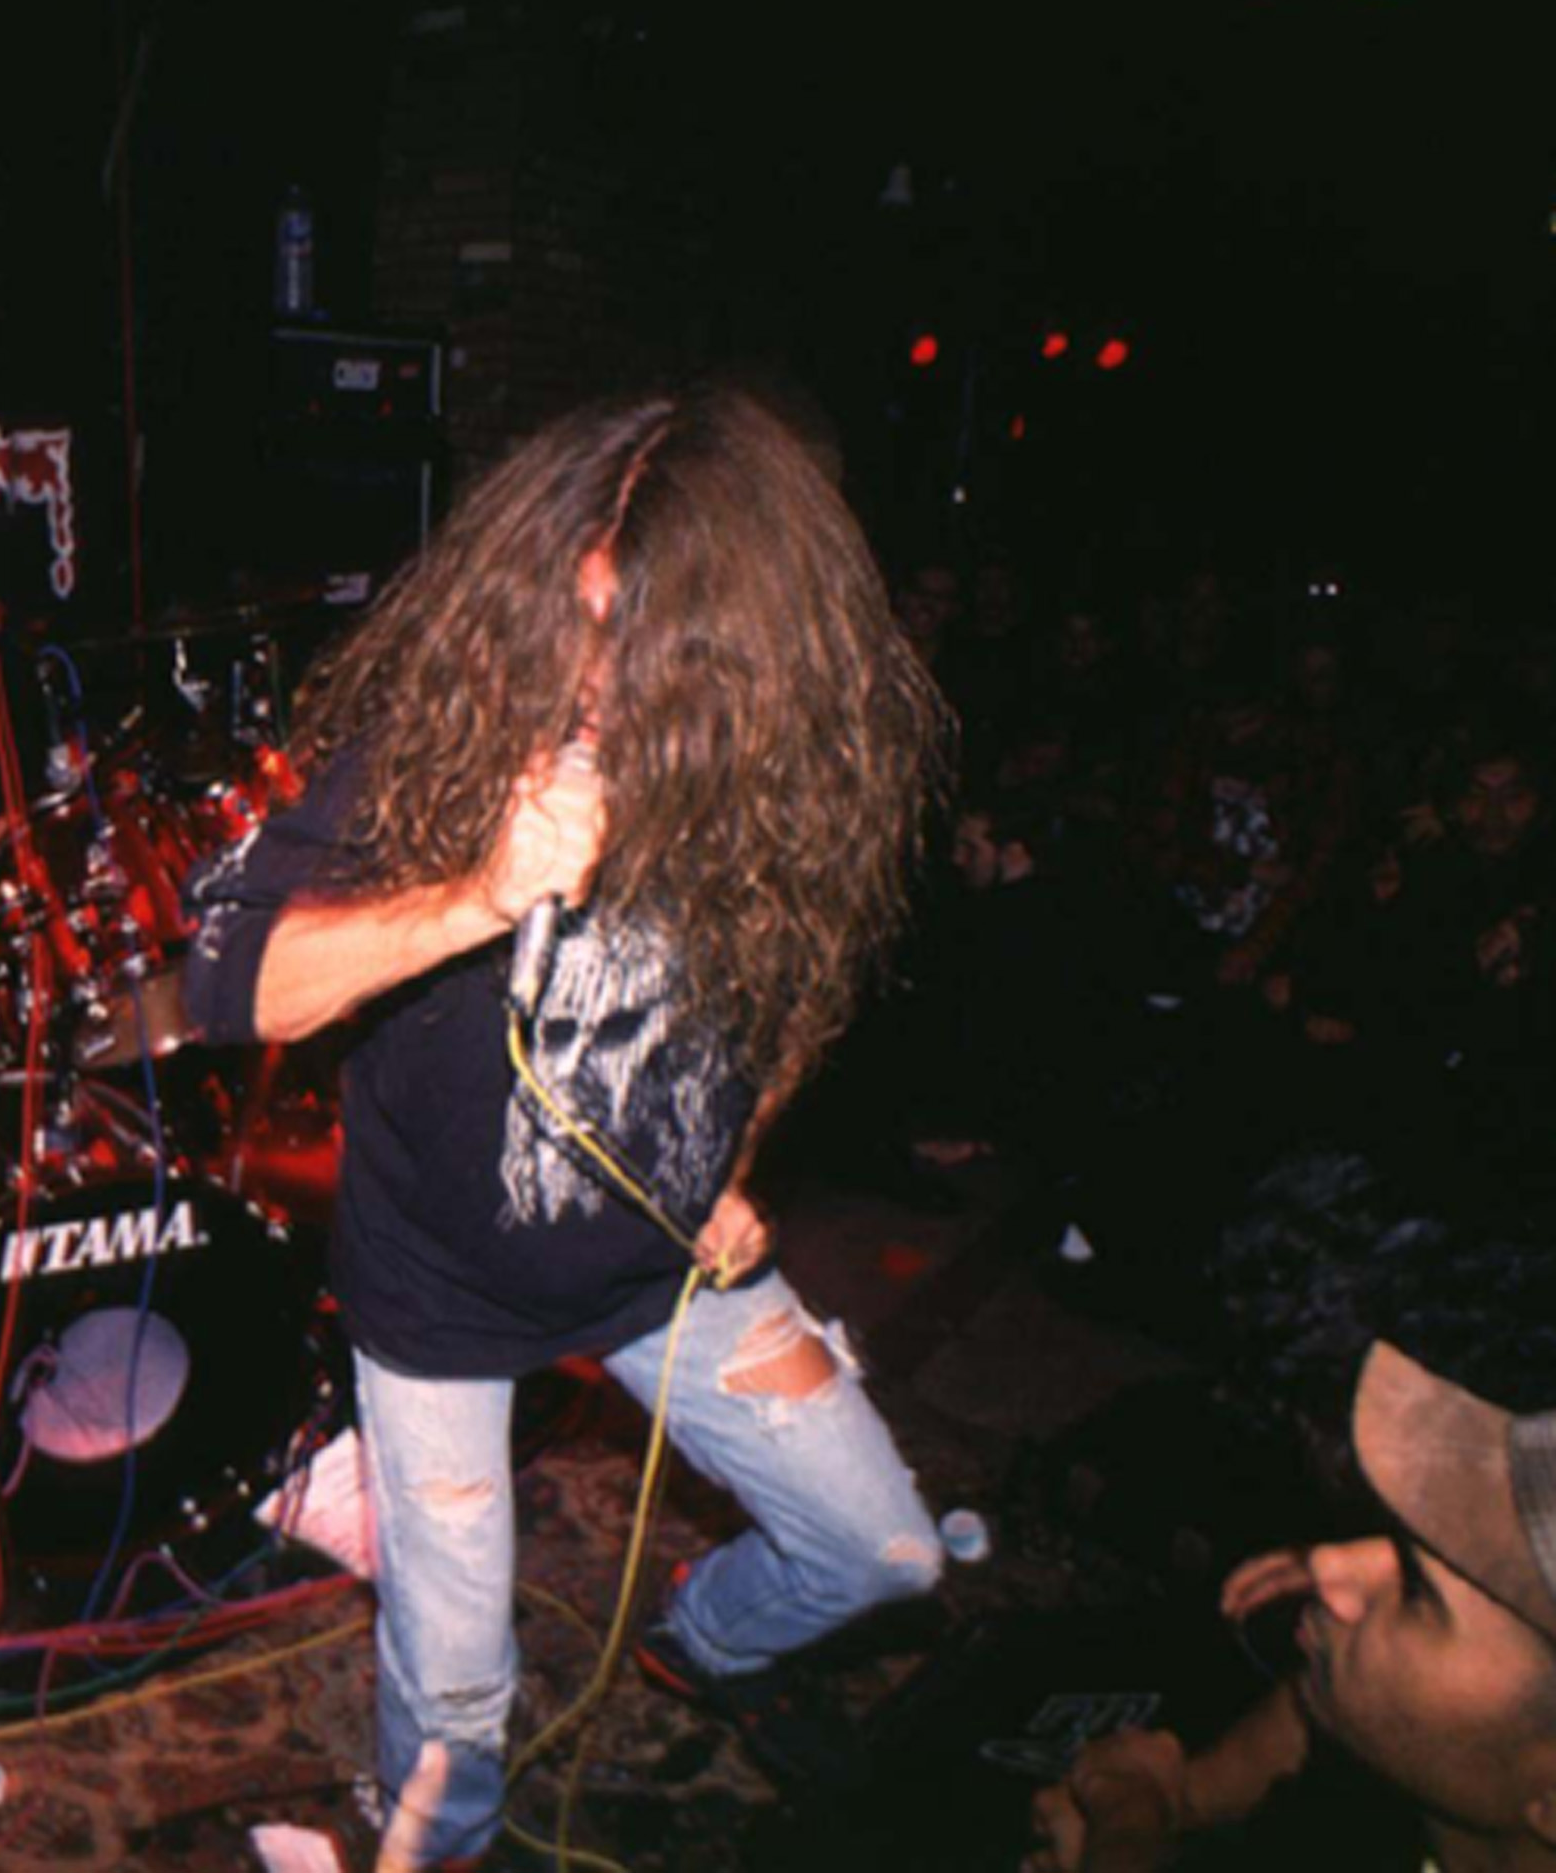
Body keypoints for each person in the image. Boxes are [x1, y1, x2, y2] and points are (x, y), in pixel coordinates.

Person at [183, 386, 952, 1861]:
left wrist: (734, 1159)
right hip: (441, 1293)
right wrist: (477, 892)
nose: (594, 679)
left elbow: (804, 991)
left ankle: (699, 1644)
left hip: (661, 1263)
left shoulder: (788, 786)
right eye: (580, 618)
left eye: (642, 642)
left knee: (887, 1551)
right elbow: (232, 980)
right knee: (460, 1701)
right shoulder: (454, 728)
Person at [1024, 1339, 1556, 1872]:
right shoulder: (1458, 1755)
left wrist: (1125, 1829)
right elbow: (1337, 1706)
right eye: (1399, 1540)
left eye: (1419, 1593)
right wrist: (1178, 1801)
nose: (1327, 1562)